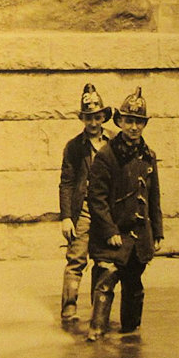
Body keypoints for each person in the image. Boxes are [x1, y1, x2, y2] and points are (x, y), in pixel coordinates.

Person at [86, 88, 164, 342]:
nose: (133, 127)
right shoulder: (107, 156)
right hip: (113, 234)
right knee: (106, 280)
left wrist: (158, 232)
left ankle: (130, 338)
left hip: (139, 235)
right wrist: (109, 232)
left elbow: (154, 197)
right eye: (129, 121)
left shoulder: (148, 155)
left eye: (138, 122)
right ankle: (96, 333)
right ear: (119, 122)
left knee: (134, 286)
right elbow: (96, 199)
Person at [58, 83, 113, 325]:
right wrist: (66, 216)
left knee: (103, 260)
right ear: (82, 119)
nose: (93, 123)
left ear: (103, 117)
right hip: (83, 211)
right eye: (88, 118)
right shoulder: (74, 146)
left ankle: (98, 310)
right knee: (76, 259)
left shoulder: (114, 142)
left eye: (97, 117)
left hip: (107, 211)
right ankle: (69, 309)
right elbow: (66, 183)